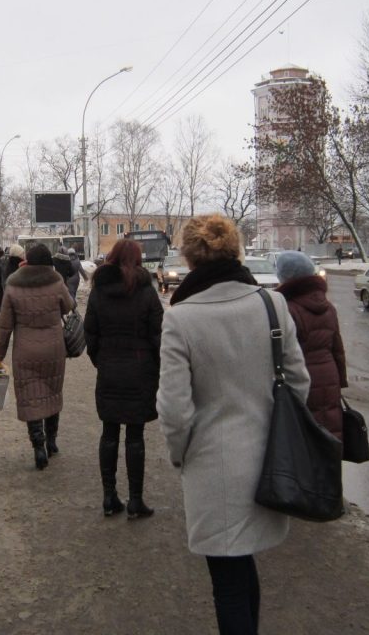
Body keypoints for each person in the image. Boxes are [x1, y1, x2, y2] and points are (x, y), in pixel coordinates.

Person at [157, 214, 310, 635]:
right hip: (269, 458)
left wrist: (179, 454)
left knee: (227, 580)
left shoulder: (181, 318)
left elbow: (174, 408)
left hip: (212, 465)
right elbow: (299, 381)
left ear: (188, 257)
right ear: (235, 250)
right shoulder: (271, 303)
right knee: (244, 568)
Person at [84, 239, 164, 518]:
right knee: (135, 434)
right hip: (140, 371)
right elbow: (158, 335)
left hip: (109, 368)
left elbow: (90, 334)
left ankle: (109, 497)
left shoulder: (98, 292)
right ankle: (135, 500)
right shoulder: (147, 292)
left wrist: (101, 361)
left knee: (108, 432)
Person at [0, 243, 74, 470]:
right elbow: (68, 307)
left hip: (25, 352)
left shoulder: (13, 285)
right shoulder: (56, 281)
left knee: (30, 396)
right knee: (52, 392)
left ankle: (38, 446)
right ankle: (52, 441)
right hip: (53, 350)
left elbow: (4, 326)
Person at [274, 251, 348, 440]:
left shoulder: (287, 309)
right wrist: (340, 381)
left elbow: (282, 353)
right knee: (329, 433)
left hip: (302, 378)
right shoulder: (328, 306)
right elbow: (337, 349)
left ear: (286, 277)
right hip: (329, 377)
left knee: (304, 439)